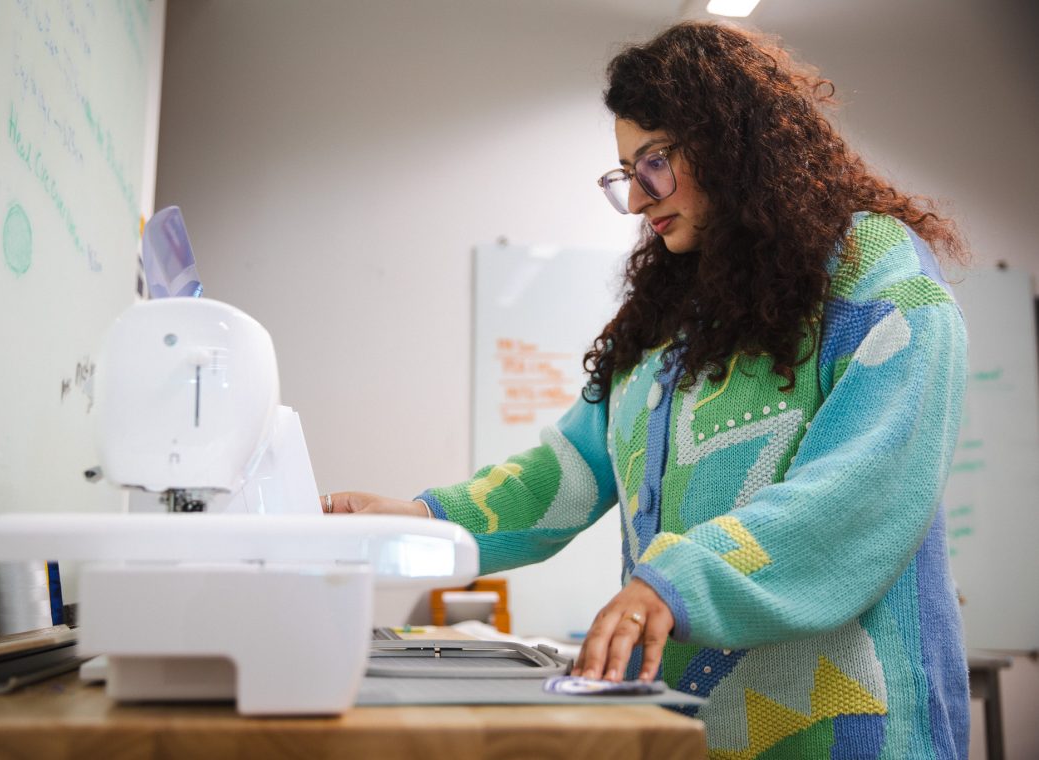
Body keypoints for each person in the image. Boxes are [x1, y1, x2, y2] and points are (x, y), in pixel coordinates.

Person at [324, 21, 970, 759]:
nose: (636, 199)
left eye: (653, 163)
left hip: (854, 733)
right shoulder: (667, 321)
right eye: (624, 172)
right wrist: (418, 519)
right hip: (691, 733)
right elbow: (564, 474)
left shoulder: (871, 271)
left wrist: (670, 584)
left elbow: (861, 490)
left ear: (732, 143)